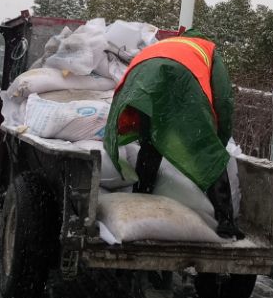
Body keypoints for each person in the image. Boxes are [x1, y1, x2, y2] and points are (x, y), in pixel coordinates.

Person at [103, 29, 242, 238]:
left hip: (140, 76)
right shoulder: (208, 49)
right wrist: (219, 139)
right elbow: (223, 99)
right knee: (207, 151)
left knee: (151, 141)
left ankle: (142, 194)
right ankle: (226, 221)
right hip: (181, 76)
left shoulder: (166, 44)